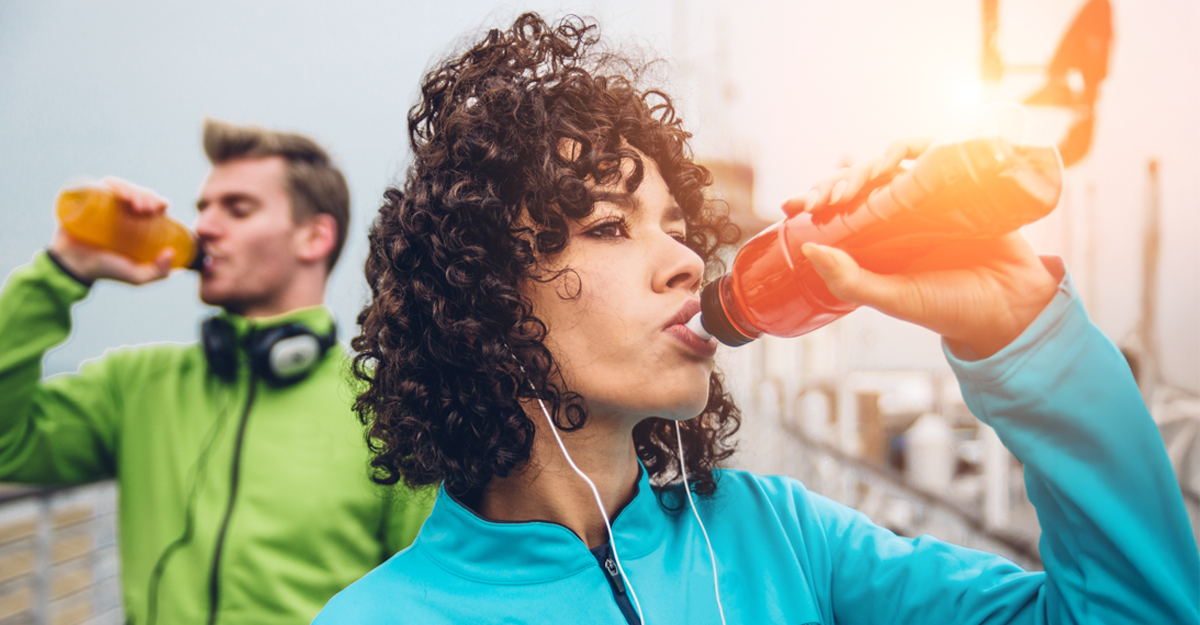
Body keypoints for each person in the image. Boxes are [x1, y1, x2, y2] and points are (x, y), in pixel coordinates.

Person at [316, 13, 1199, 625]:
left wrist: (1021, 331)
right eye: (610, 226)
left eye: (676, 225)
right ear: (481, 296)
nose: (686, 260)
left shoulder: (788, 540)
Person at [0, 120, 432, 625]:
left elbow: (422, 596)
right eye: (203, 207)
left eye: (237, 208)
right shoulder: (136, 384)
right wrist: (64, 268)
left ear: (315, 236)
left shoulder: (386, 406)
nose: (204, 226)